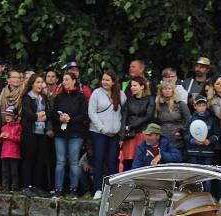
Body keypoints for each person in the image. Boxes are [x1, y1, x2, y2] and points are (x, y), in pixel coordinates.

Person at [88, 70, 125, 200]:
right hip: (98, 132)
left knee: (112, 162)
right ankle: (98, 189)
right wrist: (102, 127)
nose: (105, 82)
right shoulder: (96, 93)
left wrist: (120, 132)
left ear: (114, 82)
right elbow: (91, 112)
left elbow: (123, 113)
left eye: (108, 80)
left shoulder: (121, 95)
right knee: (98, 160)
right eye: (103, 79)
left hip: (114, 134)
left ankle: (111, 189)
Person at [50, 71, 88, 198]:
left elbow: (84, 115)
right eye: (63, 80)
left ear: (73, 81)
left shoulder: (80, 97)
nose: (64, 82)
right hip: (60, 134)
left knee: (73, 162)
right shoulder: (59, 97)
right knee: (60, 161)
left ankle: (73, 190)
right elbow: (53, 114)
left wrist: (70, 118)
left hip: (75, 134)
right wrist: (60, 118)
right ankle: (58, 189)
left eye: (67, 79)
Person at [20, 74, 52, 197]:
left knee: (40, 160)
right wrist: (38, 116)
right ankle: (26, 186)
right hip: (29, 133)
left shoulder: (43, 97)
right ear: (32, 84)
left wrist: (43, 115)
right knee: (29, 160)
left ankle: (37, 186)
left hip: (41, 133)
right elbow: (28, 114)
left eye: (41, 82)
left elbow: (49, 113)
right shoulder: (27, 98)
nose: (40, 85)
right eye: (37, 82)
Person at [120, 76, 154, 172]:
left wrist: (130, 126)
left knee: (142, 161)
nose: (132, 87)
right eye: (131, 85)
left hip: (142, 133)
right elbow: (124, 117)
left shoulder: (150, 99)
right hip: (129, 135)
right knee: (128, 162)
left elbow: (148, 117)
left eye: (135, 85)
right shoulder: (129, 100)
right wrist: (122, 135)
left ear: (142, 87)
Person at [183, 96, 220, 173]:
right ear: (195, 106)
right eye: (199, 105)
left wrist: (209, 141)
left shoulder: (212, 119)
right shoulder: (190, 119)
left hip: (208, 152)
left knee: (206, 177)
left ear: (207, 106)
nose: (201, 107)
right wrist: (193, 141)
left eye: (203, 105)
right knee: (194, 175)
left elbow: (217, 134)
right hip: (193, 152)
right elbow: (185, 133)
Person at [155, 80, 189, 152]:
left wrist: (181, 131)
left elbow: (188, 120)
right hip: (163, 137)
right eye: (165, 89)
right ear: (161, 91)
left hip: (178, 137)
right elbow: (156, 122)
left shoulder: (180, 104)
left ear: (173, 90)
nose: (167, 91)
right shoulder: (158, 105)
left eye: (169, 89)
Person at [0, 104, 22, 192]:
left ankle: (14, 188)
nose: (7, 117)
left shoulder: (18, 126)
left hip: (15, 154)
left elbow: (20, 139)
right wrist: (1, 137)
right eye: (6, 115)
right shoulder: (4, 127)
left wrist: (9, 136)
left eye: (10, 115)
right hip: (5, 154)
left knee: (14, 172)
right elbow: (0, 141)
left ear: (15, 116)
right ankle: (5, 187)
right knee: (5, 171)